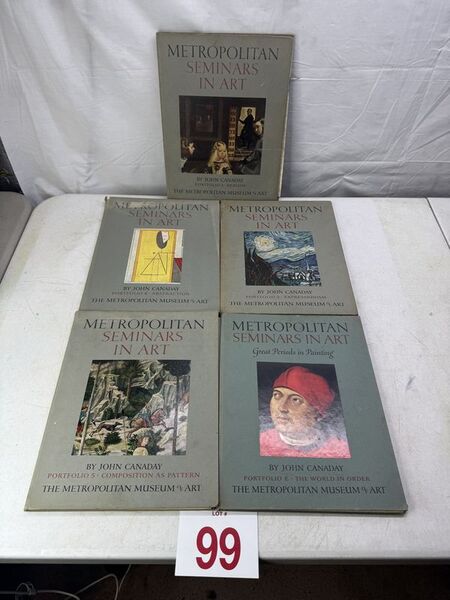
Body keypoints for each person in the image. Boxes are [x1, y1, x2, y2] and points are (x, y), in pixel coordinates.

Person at [259, 366, 350, 458]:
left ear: (317, 412)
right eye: (277, 395)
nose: (282, 408)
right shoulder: (261, 441)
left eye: (295, 400)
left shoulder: (340, 449)